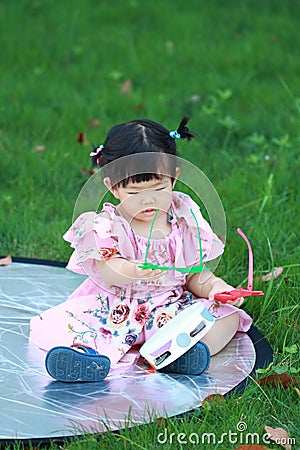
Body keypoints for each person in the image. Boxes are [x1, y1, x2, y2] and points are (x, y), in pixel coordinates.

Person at [29, 117, 252, 382]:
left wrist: (216, 288)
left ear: (174, 178)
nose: (149, 199)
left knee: (226, 319)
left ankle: (179, 355)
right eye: (135, 192)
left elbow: (193, 275)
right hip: (114, 310)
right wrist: (133, 271)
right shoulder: (107, 225)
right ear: (112, 187)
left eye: (159, 188)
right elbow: (108, 269)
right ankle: (87, 359)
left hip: (168, 309)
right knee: (77, 328)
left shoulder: (183, 218)